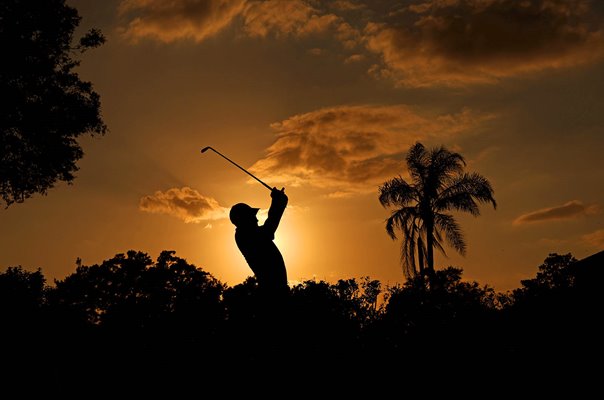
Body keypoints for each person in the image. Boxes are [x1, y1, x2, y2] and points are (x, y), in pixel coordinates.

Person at [229, 187, 289, 298]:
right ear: (244, 219)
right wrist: (277, 202)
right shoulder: (244, 236)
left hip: (274, 289)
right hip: (271, 291)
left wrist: (278, 202)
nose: (256, 219)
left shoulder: (246, 235)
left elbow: (269, 227)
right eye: (252, 217)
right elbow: (269, 228)